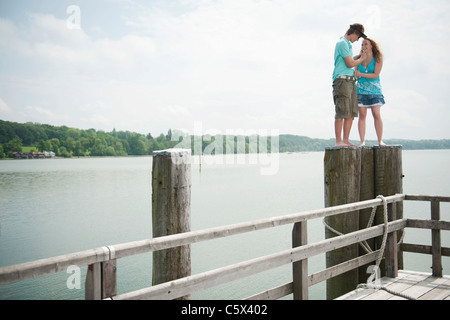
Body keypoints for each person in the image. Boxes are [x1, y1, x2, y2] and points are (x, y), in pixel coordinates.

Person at [332, 23, 367, 147]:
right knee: (342, 111)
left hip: (350, 81)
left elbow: (351, 61)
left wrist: (359, 58)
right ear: (355, 33)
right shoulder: (342, 43)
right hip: (342, 81)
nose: (358, 40)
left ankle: (345, 140)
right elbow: (349, 63)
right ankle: (338, 141)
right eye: (358, 37)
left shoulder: (347, 45)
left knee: (351, 113)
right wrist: (362, 59)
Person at [355, 38, 386, 146]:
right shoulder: (358, 58)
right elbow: (351, 65)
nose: (364, 46)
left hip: (375, 90)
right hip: (361, 90)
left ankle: (380, 140)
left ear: (372, 46)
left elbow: (375, 75)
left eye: (366, 44)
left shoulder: (378, 59)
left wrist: (360, 74)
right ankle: (362, 141)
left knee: (376, 114)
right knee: (362, 115)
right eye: (362, 44)